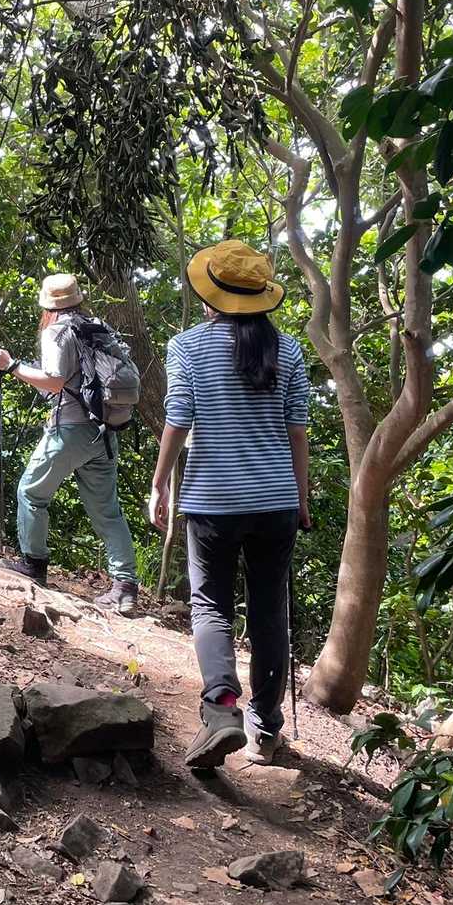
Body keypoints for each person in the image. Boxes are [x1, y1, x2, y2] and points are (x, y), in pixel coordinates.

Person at [148, 240, 311, 767]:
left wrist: (160, 483)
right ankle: (267, 728)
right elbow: (297, 430)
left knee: (211, 604)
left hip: (213, 501)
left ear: (210, 295)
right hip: (276, 501)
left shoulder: (187, 347)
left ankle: (221, 709)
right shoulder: (287, 350)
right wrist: (301, 496)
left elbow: (179, 417)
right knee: (269, 609)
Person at [0, 272, 140, 613]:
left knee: (31, 493)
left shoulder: (57, 330)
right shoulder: (96, 327)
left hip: (70, 429)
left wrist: (10, 365)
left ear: (48, 305)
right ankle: (125, 587)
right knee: (107, 511)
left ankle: (33, 565)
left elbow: (54, 382)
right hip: (103, 430)